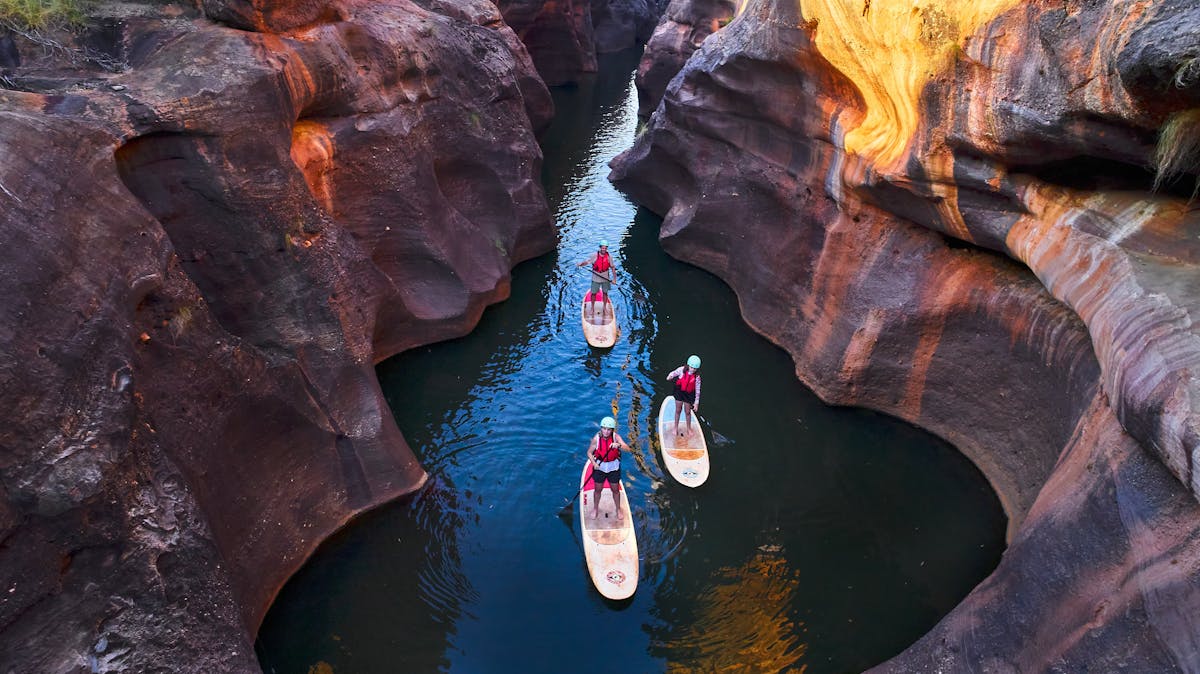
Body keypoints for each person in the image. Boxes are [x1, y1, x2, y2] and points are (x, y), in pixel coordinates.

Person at [588, 416, 629, 520]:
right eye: (604, 428)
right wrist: (593, 463)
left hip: (613, 468)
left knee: (615, 490)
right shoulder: (596, 438)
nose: (606, 432)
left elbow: (628, 448)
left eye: (609, 429)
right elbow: (589, 452)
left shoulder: (616, 437)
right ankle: (595, 508)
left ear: (612, 430)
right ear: (601, 428)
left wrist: (618, 445)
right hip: (600, 468)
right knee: (598, 489)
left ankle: (618, 509)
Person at [577, 240, 615, 320]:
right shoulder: (594, 255)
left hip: (605, 277)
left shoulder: (609, 257)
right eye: (602, 248)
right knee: (593, 293)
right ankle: (592, 308)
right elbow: (587, 262)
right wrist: (581, 264)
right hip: (596, 277)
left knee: (605, 293)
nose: (604, 249)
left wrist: (614, 279)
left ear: (607, 248)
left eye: (605, 248)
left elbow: (612, 268)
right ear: (600, 247)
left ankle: (604, 307)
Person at [666, 355, 702, 438]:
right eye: (691, 367)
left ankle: (689, 428)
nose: (693, 370)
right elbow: (673, 373)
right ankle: (675, 428)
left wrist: (696, 403)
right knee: (678, 410)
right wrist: (669, 376)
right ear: (688, 365)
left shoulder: (697, 377)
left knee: (688, 412)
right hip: (679, 392)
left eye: (695, 368)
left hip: (689, 395)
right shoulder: (681, 370)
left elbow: (697, 391)